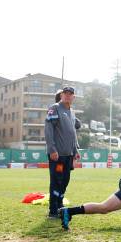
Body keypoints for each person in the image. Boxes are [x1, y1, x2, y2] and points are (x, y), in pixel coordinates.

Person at [45, 86, 80, 219]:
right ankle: (53, 210)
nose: (67, 96)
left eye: (70, 94)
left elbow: (73, 133)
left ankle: (60, 206)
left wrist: (76, 150)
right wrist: (52, 149)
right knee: (57, 180)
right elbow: (48, 130)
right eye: (65, 93)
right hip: (58, 156)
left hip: (69, 156)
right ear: (61, 95)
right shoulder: (54, 108)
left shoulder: (71, 111)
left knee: (65, 180)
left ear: (73, 97)